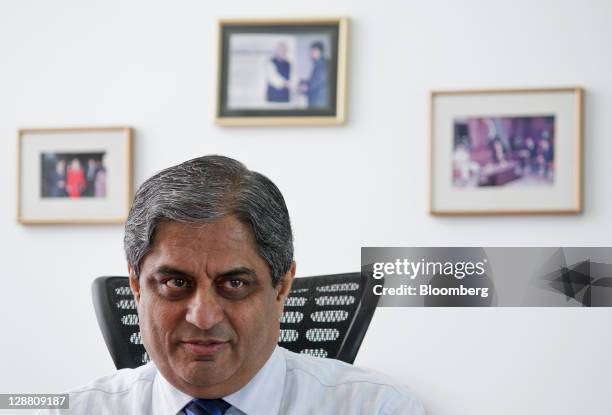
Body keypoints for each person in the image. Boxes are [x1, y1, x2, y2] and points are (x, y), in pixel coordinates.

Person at [39, 155, 425, 415]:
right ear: (136, 286)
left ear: (282, 286)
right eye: (175, 282)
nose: (203, 317)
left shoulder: (377, 408)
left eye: (235, 283)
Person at [300, 41, 329, 108]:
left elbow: (314, 84)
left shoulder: (322, 65)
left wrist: (302, 88)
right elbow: (314, 80)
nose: (311, 53)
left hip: (318, 103)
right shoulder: (319, 64)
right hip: (317, 102)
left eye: (313, 51)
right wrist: (302, 82)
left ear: (319, 51)